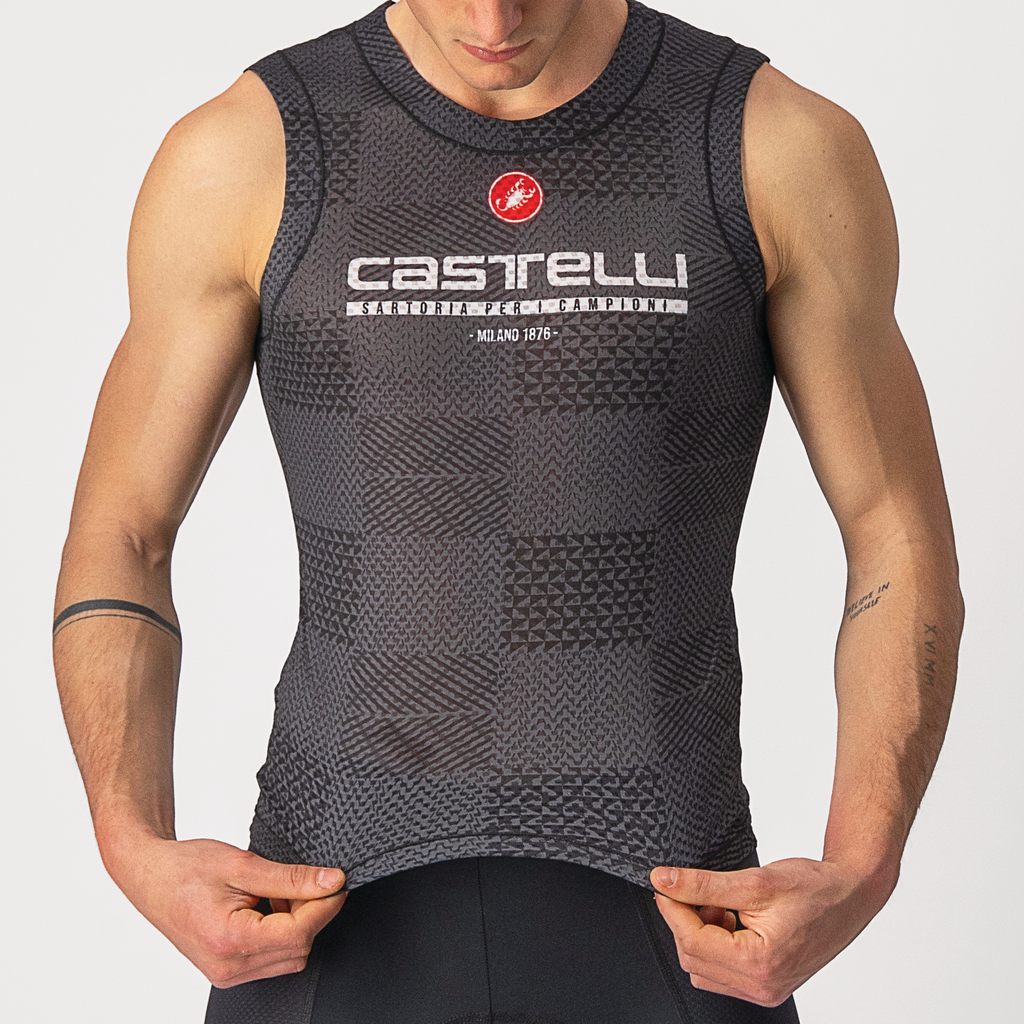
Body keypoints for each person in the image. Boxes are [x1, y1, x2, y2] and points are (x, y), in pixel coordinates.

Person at [52, 1, 963, 1021]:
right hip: (316, 916)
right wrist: (131, 841)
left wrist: (864, 862)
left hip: (683, 928)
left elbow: (893, 529)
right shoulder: (246, 152)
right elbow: (125, 530)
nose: (493, 19)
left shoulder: (771, 142)